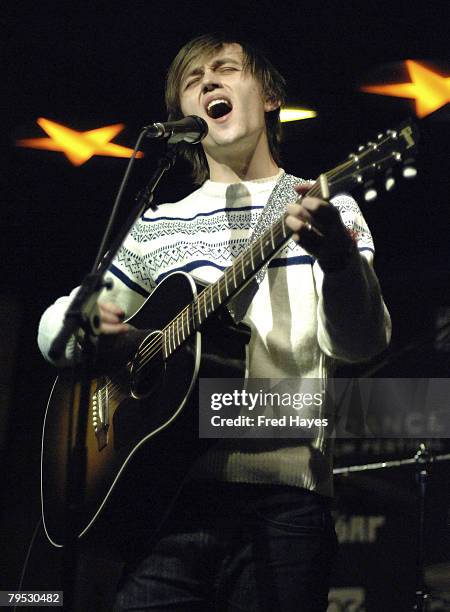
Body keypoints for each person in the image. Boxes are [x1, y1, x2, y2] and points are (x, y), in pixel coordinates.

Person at [38, 33, 391, 612]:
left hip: (283, 508)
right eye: (192, 79)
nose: (208, 82)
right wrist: (91, 332)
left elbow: (361, 344)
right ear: (183, 115)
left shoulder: (329, 209)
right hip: (163, 507)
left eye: (226, 69)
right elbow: (60, 325)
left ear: (270, 95)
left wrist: (338, 259)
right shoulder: (157, 224)